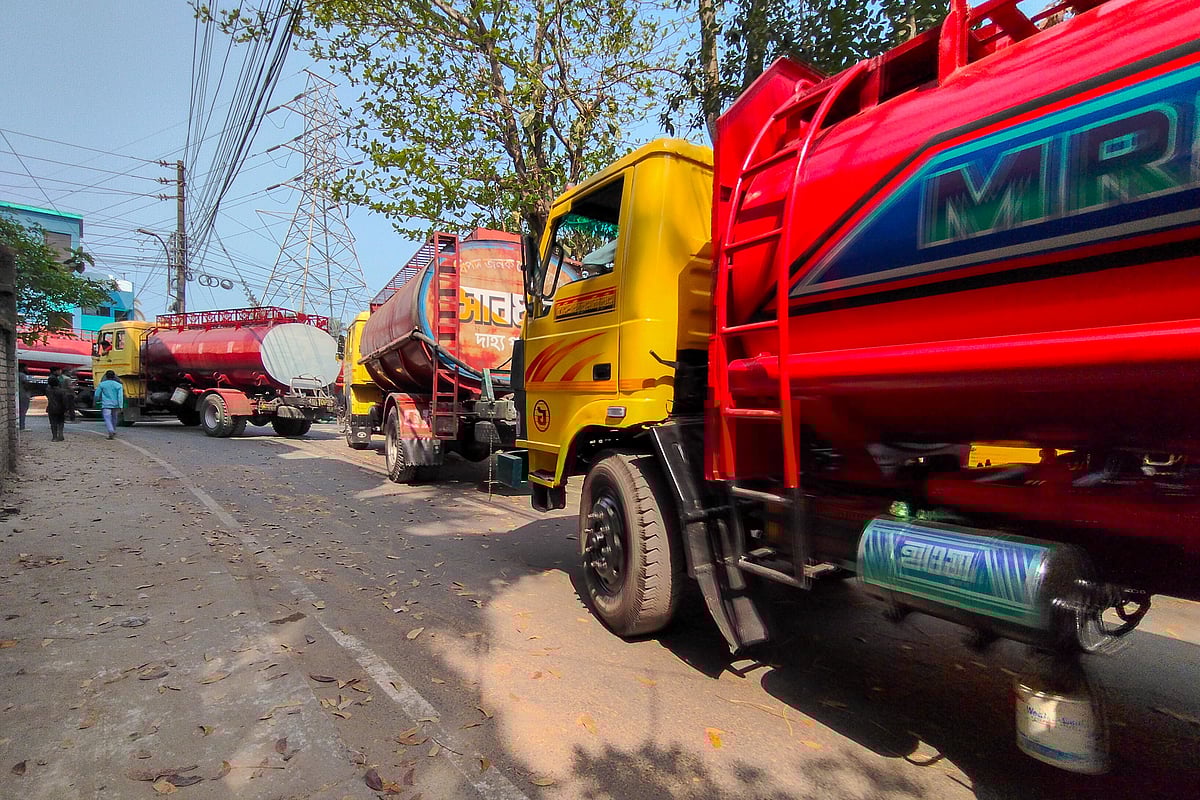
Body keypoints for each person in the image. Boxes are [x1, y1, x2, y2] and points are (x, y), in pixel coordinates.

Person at [93, 370, 125, 440]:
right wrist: (121, 405)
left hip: (106, 404)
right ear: (114, 376)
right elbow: (120, 396)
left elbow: (97, 394)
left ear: (106, 376)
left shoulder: (102, 384)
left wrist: (96, 400)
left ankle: (110, 430)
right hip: (115, 404)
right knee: (114, 417)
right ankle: (114, 429)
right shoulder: (118, 385)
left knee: (107, 418)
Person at [45, 367, 67, 442]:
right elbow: (64, 400)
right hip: (60, 408)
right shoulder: (61, 391)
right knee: (60, 422)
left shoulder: (48, 390)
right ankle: (60, 435)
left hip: (51, 408)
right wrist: (66, 408)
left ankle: (54, 437)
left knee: (53, 423)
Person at [17, 365, 33, 431]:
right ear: (22, 368)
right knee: (23, 411)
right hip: (24, 395)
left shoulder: (16, 374)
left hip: (19, 394)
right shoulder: (22, 375)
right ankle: (22, 426)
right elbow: (26, 385)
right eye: (26, 367)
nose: (27, 369)